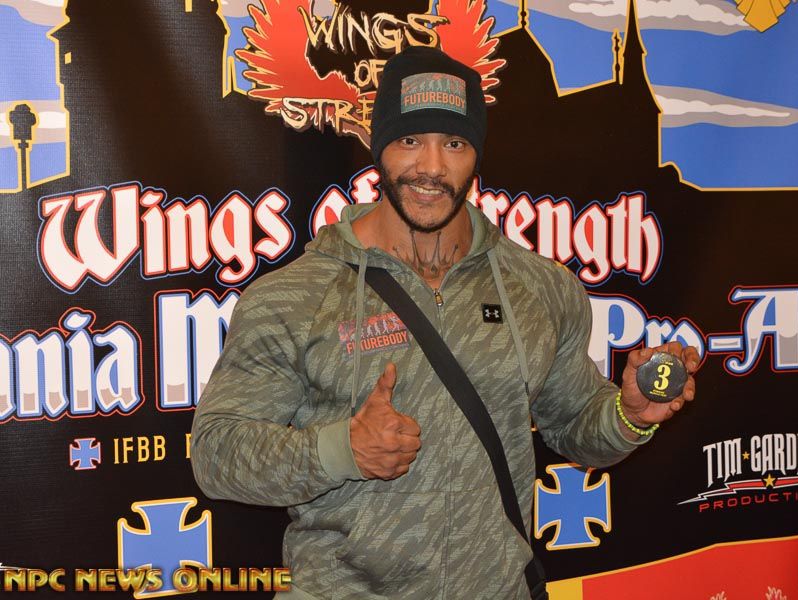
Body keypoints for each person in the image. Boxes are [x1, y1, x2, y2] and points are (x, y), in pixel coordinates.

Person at [191, 45, 700, 599]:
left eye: (453, 143)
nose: (431, 168)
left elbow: (575, 426)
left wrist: (629, 415)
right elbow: (216, 454)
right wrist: (341, 450)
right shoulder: (295, 297)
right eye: (410, 140)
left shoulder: (540, 287)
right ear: (379, 147)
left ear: (476, 155)